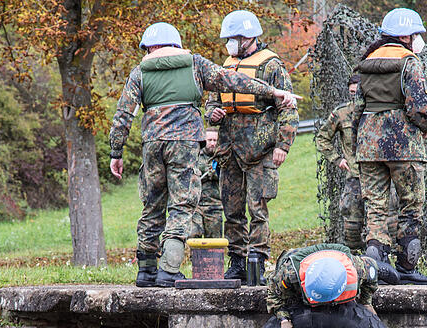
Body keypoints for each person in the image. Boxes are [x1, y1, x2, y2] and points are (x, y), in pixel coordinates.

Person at [110, 22, 297, 288]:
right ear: (176, 44)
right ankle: (169, 268)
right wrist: (273, 91)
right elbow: (232, 80)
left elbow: (123, 115)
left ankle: (146, 270)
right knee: (182, 204)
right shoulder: (195, 64)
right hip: (184, 142)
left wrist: (116, 151)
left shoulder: (140, 72)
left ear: (148, 47)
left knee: (151, 204)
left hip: (152, 143)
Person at [206, 10, 299, 286]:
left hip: (259, 149)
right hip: (229, 150)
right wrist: (212, 115)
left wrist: (283, 145)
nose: (229, 44)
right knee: (231, 209)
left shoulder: (271, 65)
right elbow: (211, 102)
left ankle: (257, 260)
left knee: (257, 208)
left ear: (248, 38)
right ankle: (236, 261)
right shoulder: (226, 65)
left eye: (233, 38)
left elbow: (289, 108)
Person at [352, 8, 427, 285]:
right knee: (410, 205)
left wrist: (359, 141)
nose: (417, 39)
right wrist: (423, 129)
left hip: (369, 144)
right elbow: (419, 108)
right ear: (404, 35)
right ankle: (407, 268)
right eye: (415, 33)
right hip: (404, 145)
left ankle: (377, 267)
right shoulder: (409, 62)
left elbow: (357, 110)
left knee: (375, 207)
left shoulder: (366, 62)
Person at [315, 75, 400, 254]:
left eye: (358, 92)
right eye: (352, 92)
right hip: (355, 175)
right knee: (352, 223)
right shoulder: (342, 113)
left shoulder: (379, 110)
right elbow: (322, 138)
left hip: (381, 175)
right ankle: (356, 260)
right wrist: (337, 159)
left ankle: (390, 257)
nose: (355, 96)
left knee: (390, 219)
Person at [266, 243, 389, 328]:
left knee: (393, 276)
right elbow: (273, 294)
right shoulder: (289, 274)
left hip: (339, 263)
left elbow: (372, 273)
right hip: (299, 259)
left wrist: (366, 302)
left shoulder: (357, 269)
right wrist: (284, 319)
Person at [191, 127, 223, 239]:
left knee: (214, 242)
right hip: (196, 206)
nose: (212, 143)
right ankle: (194, 257)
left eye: (215, 140)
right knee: (194, 234)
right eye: (210, 140)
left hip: (215, 207)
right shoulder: (195, 156)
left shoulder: (223, 158)